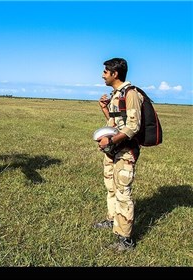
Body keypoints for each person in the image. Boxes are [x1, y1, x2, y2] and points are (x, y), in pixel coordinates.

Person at [95, 58, 144, 251]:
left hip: (125, 150)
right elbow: (116, 124)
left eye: (106, 72)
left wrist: (110, 141)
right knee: (111, 187)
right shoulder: (116, 94)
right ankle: (112, 219)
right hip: (114, 149)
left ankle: (126, 239)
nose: (102, 75)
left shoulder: (130, 94)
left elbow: (133, 127)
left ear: (115, 74)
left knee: (123, 192)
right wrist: (105, 109)